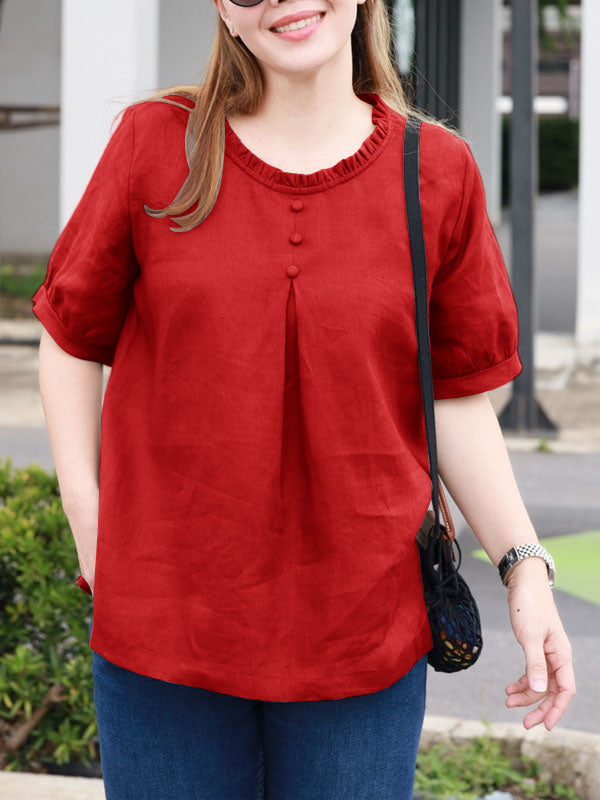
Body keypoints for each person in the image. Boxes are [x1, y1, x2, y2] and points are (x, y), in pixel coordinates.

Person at [32, 0, 576, 798]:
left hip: (363, 634)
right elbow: (70, 335)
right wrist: (92, 528)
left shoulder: (437, 171)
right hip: (163, 628)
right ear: (224, 9)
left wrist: (524, 568)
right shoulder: (155, 143)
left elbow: (454, 397)